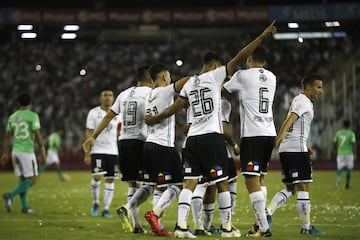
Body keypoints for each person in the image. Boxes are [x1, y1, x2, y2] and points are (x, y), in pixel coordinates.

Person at [144, 21, 277, 238]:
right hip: (211, 137)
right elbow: (241, 56)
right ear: (216, 67)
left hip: (192, 140)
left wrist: (155, 118)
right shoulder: (216, 77)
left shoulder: (189, 82)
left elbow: (176, 108)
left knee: (190, 183)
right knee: (222, 182)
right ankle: (226, 228)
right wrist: (261, 36)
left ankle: (181, 227)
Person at [83, 66, 154, 233]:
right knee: (153, 183)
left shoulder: (124, 94)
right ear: (151, 79)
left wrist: (93, 136)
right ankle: (140, 213)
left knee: (133, 184)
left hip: (123, 143)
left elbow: (109, 116)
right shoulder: (151, 93)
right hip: (141, 142)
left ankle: (136, 225)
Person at [223, 46, 276, 237]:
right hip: (269, 132)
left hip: (252, 135)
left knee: (250, 180)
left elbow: (222, 89)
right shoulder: (272, 77)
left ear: (249, 59)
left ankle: (263, 228)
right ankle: (259, 224)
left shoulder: (242, 76)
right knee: (260, 178)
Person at [266, 74, 326, 235]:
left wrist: (305, 145)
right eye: (318, 87)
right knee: (304, 186)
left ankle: (268, 212)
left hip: (291, 148)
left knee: (291, 188)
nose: (320, 90)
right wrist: (281, 135)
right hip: (294, 150)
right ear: (308, 87)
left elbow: (296, 125)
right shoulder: (303, 101)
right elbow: (291, 120)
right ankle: (306, 227)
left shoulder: (300, 100)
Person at [138, 63, 190, 236]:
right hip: (163, 147)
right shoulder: (164, 90)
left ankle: (157, 226)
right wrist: (201, 79)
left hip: (151, 145)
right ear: (164, 78)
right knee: (176, 185)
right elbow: (184, 82)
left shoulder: (149, 95)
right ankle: (155, 214)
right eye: (169, 77)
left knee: (161, 187)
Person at [1, 93, 47, 214]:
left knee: (22, 180)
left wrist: (5, 153)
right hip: (27, 152)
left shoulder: (12, 117)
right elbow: (37, 133)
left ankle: (25, 207)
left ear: (18, 102)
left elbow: (7, 137)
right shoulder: (32, 116)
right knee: (33, 179)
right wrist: (42, 148)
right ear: (29, 102)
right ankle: (10, 195)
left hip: (15, 151)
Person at [84, 88, 120, 218]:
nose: (108, 97)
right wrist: (87, 153)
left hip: (113, 151)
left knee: (110, 180)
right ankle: (95, 203)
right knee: (97, 177)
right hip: (98, 150)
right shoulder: (93, 113)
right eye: (105, 95)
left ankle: (106, 209)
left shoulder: (118, 114)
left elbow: (120, 132)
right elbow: (89, 132)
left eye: (110, 95)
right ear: (100, 97)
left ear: (113, 98)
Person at [333, 119, 357, 189]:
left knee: (339, 168)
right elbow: (354, 144)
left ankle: (338, 181)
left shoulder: (338, 133)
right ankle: (347, 184)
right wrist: (355, 153)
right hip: (349, 154)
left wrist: (336, 150)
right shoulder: (351, 133)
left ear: (343, 125)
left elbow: (334, 142)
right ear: (349, 125)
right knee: (349, 169)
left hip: (340, 153)